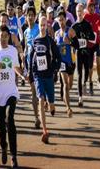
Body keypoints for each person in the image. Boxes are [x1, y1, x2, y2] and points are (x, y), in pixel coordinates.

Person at [0, 25, 23, 168]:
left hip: (11, 92)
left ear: (9, 37)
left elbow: (15, 67)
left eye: (6, 36)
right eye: (1, 36)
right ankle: (3, 146)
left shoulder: (13, 51)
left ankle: (14, 156)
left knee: (10, 119)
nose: (4, 38)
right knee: (2, 128)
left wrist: (22, 74)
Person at [29, 16, 61, 144]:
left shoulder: (50, 41)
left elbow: (58, 58)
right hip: (38, 76)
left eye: (44, 25)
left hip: (48, 76)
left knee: (51, 103)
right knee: (41, 99)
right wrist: (31, 74)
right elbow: (31, 59)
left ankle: (51, 106)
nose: (42, 28)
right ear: (39, 26)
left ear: (47, 26)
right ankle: (44, 130)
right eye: (41, 25)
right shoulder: (35, 41)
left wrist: (54, 70)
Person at [55, 11, 78, 117]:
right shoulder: (56, 34)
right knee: (65, 84)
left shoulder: (70, 31)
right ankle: (68, 108)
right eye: (59, 20)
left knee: (69, 85)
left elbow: (77, 45)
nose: (61, 22)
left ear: (66, 19)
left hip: (71, 62)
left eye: (62, 19)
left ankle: (65, 96)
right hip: (62, 63)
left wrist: (69, 41)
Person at [71, 4, 95, 107]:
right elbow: (72, 41)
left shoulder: (87, 24)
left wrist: (86, 36)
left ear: (83, 12)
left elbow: (93, 36)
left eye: (80, 11)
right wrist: (73, 44)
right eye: (77, 11)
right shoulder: (74, 26)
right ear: (76, 12)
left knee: (86, 72)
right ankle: (80, 98)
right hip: (78, 53)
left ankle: (85, 82)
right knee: (79, 74)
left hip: (87, 52)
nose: (79, 13)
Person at [23, 7, 41, 129]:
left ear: (35, 16)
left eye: (32, 15)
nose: (30, 17)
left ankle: (42, 106)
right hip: (30, 66)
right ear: (26, 17)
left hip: (41, 64)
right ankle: (36, 117)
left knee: (41, 92)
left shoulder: (38, 29)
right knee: (33, 91)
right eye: (28, 15)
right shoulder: (25, 32)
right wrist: (24, 65)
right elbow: (25, 49)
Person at [84, 0, 100, 92]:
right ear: (88, 8)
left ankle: (99, 78)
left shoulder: (97, 16)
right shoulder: (85, 17)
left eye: (93, 6)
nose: (92, 8)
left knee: (98, 59)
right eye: (90, 7)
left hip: (96, 43)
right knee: (90, 66)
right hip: (88, 45)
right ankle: (90, 82)